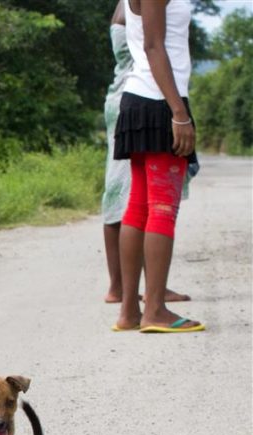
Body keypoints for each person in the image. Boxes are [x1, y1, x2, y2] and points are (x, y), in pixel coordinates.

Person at [112, 0, 203, 333]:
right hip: (160, 101)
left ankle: (129, 312)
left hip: (144, 99)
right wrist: (179, 113)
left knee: (139, 207)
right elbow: (153, 45)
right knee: (162, 208)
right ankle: (154, 310)